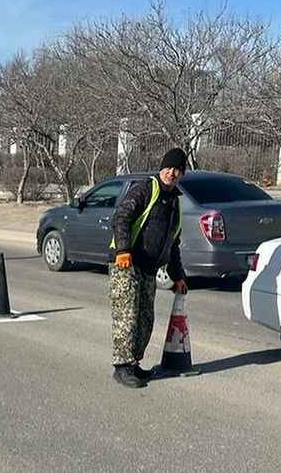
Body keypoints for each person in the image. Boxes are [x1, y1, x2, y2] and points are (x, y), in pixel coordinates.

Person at [109, 147, 189, 389]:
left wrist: (178, 276)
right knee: (128, 316)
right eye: (168, 168)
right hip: (127, 264)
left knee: (145, 319)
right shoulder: (145, 189)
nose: (172, 173)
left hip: (149, 269)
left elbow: (172, 242)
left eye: (177, 170)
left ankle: (133, 363)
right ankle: (121, 367)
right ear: (161, 168)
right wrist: (123, 250)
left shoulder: (175, 202)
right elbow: (121, 218)